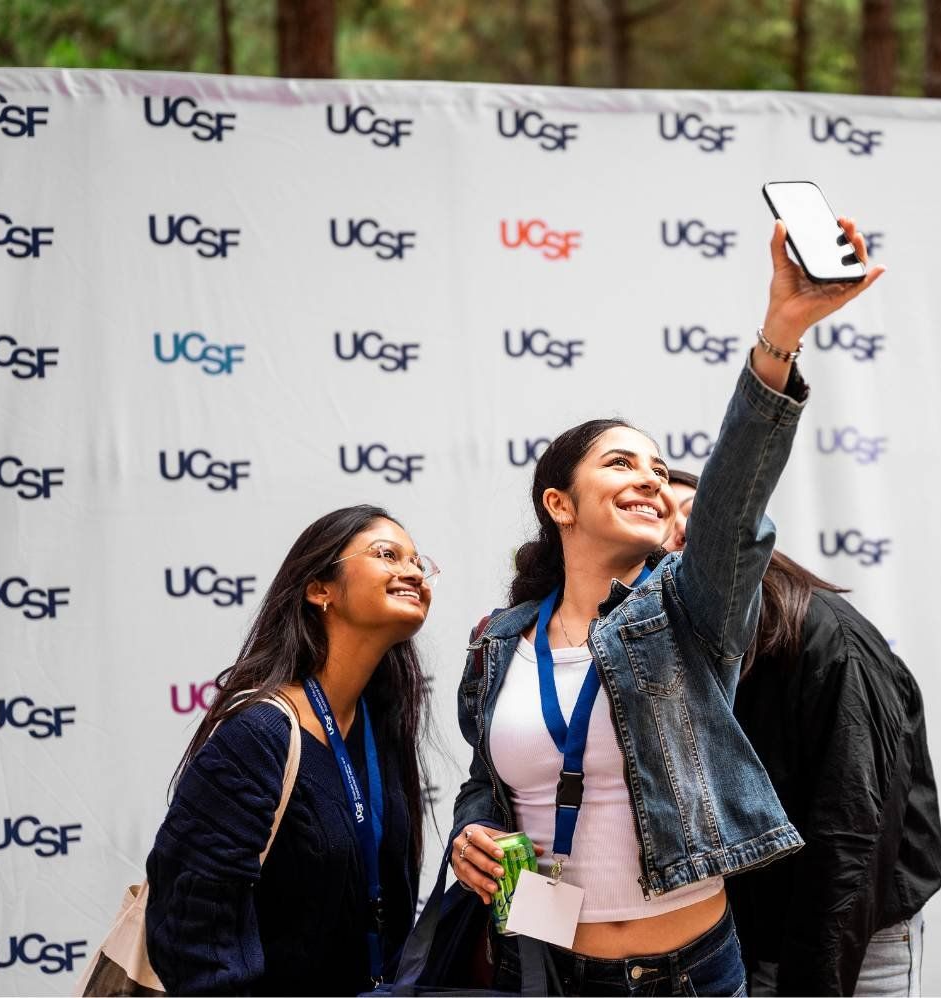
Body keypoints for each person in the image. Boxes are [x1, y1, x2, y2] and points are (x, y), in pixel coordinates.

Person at [448, 218, 884, 997]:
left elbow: (729, 504)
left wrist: (781, 332)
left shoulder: (687, 613)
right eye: (621, 463)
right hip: (540, 965)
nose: (652, 479)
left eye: (658, 466)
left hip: (685, 974)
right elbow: (489, 784)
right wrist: (469, 835)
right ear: (560, 503)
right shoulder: (500, 644)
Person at [664, 471, 941, 997]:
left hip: (844, 942)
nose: (681, 529)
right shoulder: (670, 652)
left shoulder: (826, 639)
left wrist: (809, 984)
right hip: (738, 939)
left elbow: (850, 836)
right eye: (659, 518)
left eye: (697, 510)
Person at [144, 505, 436, 994]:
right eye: (387, 555)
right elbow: (190, 927)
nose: (412, 572)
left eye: (418, 563)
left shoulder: (378, 724)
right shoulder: (259, 734)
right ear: (320, 589)